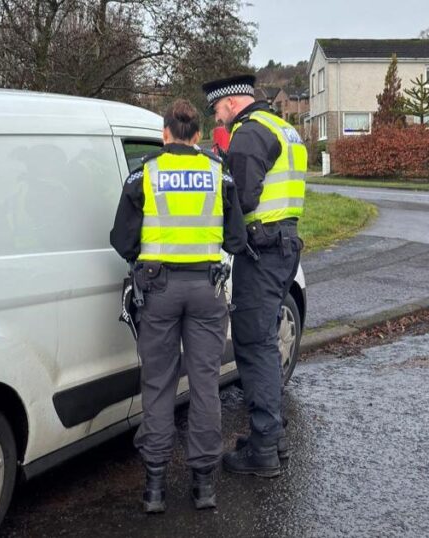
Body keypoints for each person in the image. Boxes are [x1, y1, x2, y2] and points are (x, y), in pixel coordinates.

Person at [109, 99, 248, 513]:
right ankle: (203, 485)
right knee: (205, 384)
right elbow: (235, 241)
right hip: (206, 289)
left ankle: (154, 489)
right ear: (199, 136)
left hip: (158, 290)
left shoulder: (145, 174)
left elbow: (121, 240)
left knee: (158, 385)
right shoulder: (217, 173)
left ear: (165, 134)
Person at [201, 74, 306, 478]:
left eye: (217, 108)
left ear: (230, 102)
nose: (217, 115)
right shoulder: (283, 127)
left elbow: (240, 199)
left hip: (261, 250)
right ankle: (271, 438)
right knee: (263, 340)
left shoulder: (248, 133)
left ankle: (263, 447)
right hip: (284, 244)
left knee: (254, 343)